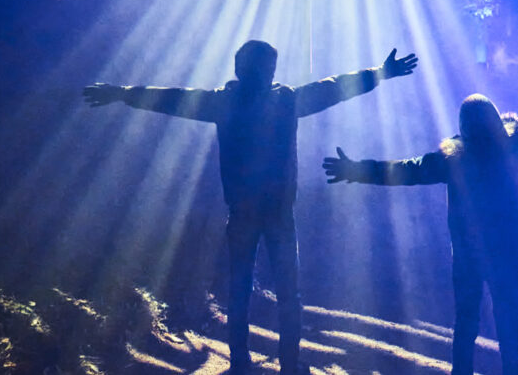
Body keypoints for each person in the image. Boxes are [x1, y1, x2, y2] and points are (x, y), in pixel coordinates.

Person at [83, 40, 418, 374]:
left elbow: (172, 99)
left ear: (239, 69)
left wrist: (122, 93)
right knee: (287, 293)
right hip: (277, 213)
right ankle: (287, 366)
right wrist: (380, 73)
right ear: (267, 71)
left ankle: (242, 364)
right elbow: (333, 89)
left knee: (242, 291)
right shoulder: (284, 101)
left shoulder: (224, 102)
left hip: (244, 211)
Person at [322, 57, 518, 375]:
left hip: (468, 256)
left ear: (463, 127)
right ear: (495, 119)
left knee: (465, 326)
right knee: (508, 328)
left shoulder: (453, 161)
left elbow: (402, 170)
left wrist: (355, 169)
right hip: (508, 253)